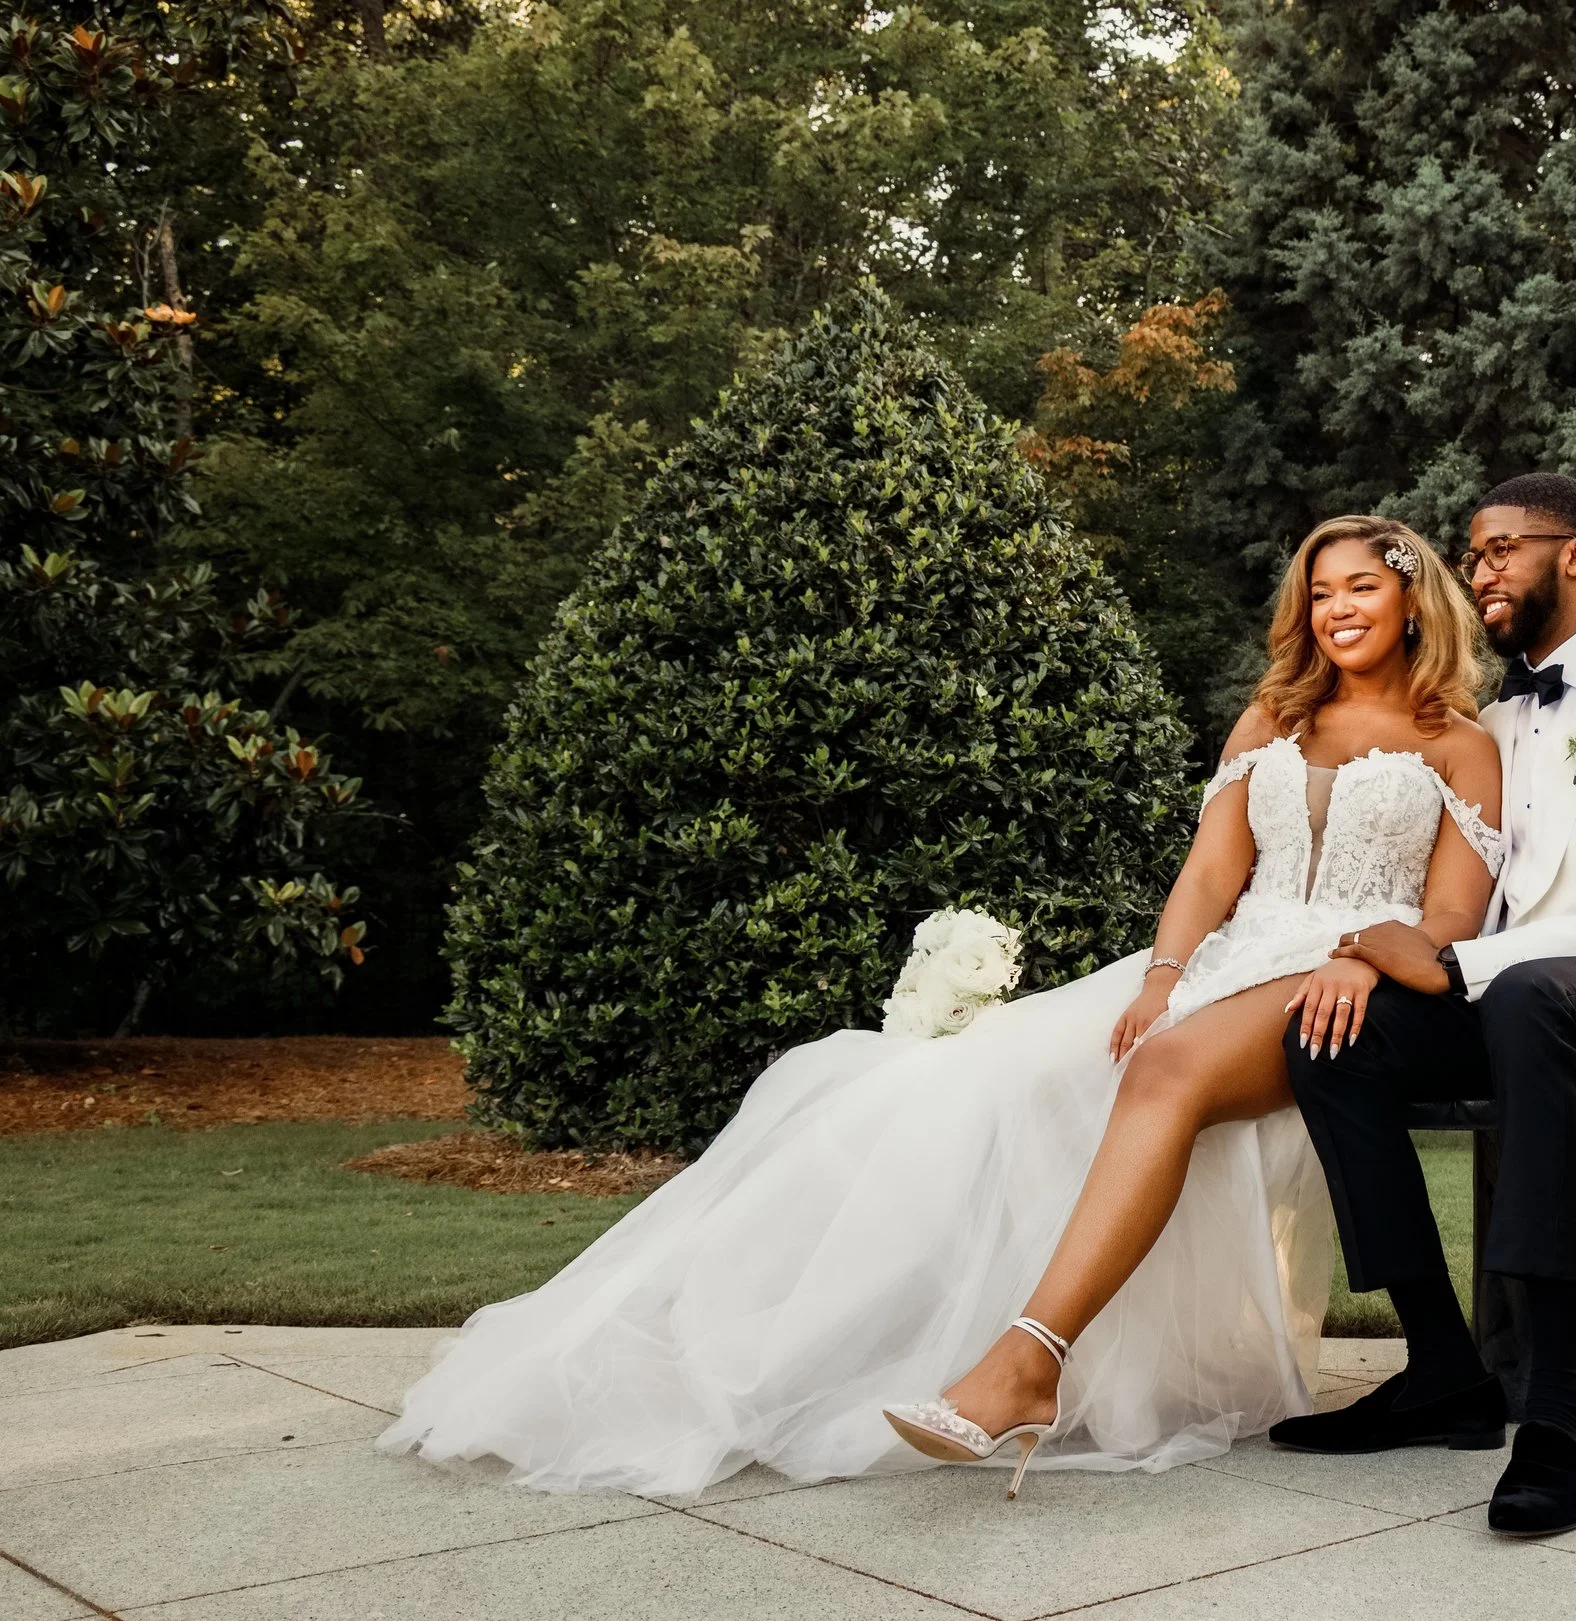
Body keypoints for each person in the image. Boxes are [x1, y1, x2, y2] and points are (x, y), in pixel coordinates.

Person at [380, 515, 1503, 1499]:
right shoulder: (1272, 716)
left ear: (1412, 596)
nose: (1336, 607)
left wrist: (1360, 953)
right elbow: (1211, 874)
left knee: (1162, 1076)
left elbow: (1452, 916)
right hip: (1222, 964)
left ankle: (1029, 1359)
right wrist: (1162, 975)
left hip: (1332, 982)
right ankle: (813, 1343)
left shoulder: (1459, 740)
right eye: (1319, 590)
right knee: (993, 1078)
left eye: (1361, 584)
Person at [1275, 472, 1576, 1539]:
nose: (1481, 570)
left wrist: (1463, 968)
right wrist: (1373, 956)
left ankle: (1553, 1415)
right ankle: (1443, 1369)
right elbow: (1452, 889)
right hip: (1512, 996)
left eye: (1502, 549)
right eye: (1475, 551)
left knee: (1529, 994)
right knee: (1329, 1038)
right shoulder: (1493, 719)